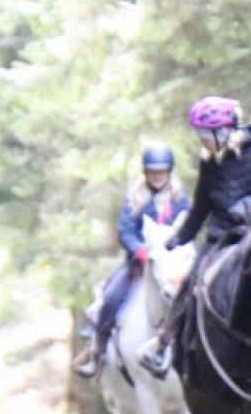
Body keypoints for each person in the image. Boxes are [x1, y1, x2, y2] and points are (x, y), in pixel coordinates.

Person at [139, 98, 251, 378]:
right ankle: (165, 344)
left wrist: (243, 208)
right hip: (218, 237)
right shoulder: (209, 161)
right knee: (190, 284)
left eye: (205, 134)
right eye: (200, 134)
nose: (202, 140)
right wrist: (179, 238)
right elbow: (201, 206)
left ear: (224, 131)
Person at [76, 143, 187, 381]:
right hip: (139, 265)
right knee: (111, 296)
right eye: (152, 172)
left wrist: (173, 250)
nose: (157, 177)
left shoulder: (180, 199)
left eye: (161, 172)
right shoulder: (135, 198)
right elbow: (125, 231)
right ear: (146, 172)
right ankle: (97, 350)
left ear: (169, 172)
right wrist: (140, 250)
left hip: (171, 264)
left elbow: (187, 226)